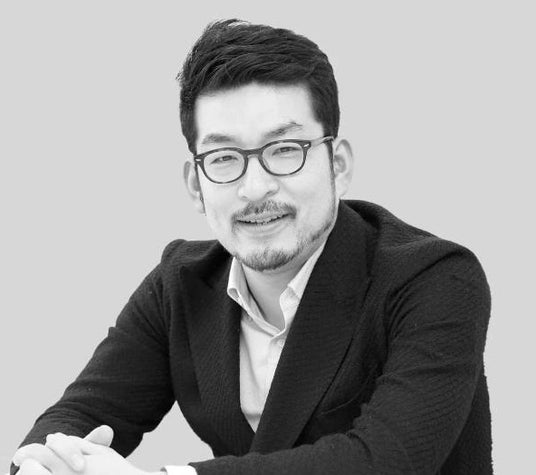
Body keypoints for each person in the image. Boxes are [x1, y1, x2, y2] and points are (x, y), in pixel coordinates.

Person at [10, 19, 492, 475]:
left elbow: (386, 461)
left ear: (338, 165)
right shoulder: (180, 285)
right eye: (224, 158)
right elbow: (78, 415)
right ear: (196, 184)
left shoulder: (436, 278)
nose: (255, 188)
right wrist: (47, 465)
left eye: (285, 150)